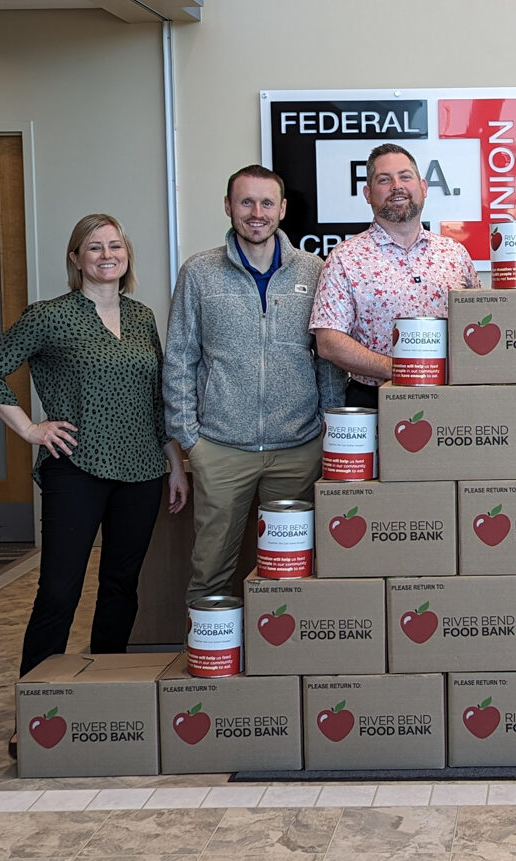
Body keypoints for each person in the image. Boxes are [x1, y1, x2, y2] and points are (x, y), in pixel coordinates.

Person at [0, 213, 187, 757]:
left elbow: (154, 398)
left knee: (121, 587)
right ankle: (34, 707)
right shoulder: (52, 317)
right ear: (75, 258)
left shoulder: (140, 317)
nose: (107, 255)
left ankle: (102, 695)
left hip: (141, 470)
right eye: (94, 247)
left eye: (116, 245)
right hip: (76, 468)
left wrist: (175, 462)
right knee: (59, 591)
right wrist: (30, 428)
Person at [164, 165, 344, 604]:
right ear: (228, 207)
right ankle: (211, 665)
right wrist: (189, 439)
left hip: (297, 450)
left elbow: (328, 359)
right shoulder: (199, 273)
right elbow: (179, 358)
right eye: (245, 202)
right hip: (221, 448)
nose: (256, 212)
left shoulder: (315, 270)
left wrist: (328, 429)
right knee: (210, 573)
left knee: (292, 573)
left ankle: (279, 668)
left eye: (266, 202)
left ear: (282, 209)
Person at [310, 143, 479, 407]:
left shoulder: (455, 253)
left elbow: (476, 322)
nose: (396, 186)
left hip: (452, 397)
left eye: (405, 176)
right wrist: (402, 369)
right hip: (374, 400)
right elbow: (329, 342)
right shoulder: (344, 258)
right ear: (367, 193)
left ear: (423, 187)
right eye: (384, 180)